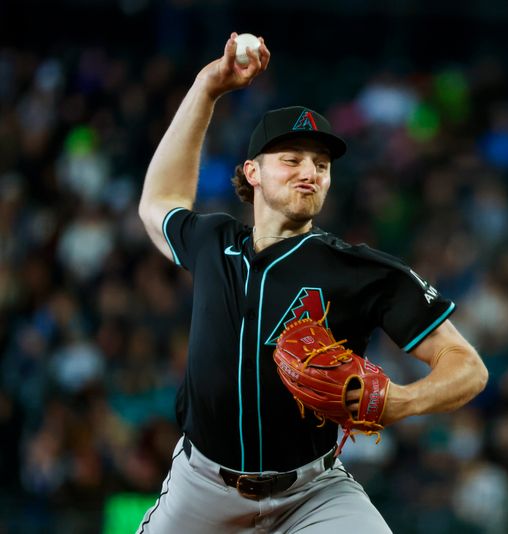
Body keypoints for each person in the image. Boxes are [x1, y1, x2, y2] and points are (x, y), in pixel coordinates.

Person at [136, 32, 488, 533]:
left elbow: (468, 367)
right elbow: (158, 202)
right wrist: (206, 88)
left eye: (321, 165)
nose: (310, 172)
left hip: (312, 494)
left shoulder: (358, 269)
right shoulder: (214, 241)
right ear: (251, 172)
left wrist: (403, 401)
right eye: (293, 160)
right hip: (201, 489)